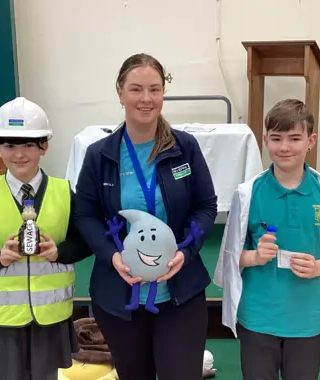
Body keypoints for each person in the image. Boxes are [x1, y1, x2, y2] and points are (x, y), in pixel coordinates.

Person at [73, 53, 218, 380]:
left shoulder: (185, 148)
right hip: (120, 298)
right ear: (120, 93)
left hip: (181, 294)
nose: (146, 98)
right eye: (136, 89)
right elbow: (86, 216)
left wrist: (186, 251)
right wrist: (112, 257)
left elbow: (206, 206)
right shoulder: (100, 155)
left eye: (155, 89)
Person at [214, 99, 320, 380]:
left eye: (294, 138)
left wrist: (319, 267)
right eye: (276, 138)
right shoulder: (248, 193)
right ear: (265, 141)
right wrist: (255, 256)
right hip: (258, 317)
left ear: (311, 141)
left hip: (307, 318)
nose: (284, 147)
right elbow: (231, 257)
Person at [0, 96, 91, 380]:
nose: (19, 154)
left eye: (29, 144)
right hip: (4, 319)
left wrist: (60, 252)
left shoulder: (64, 192)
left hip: (50, 316)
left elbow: (86, 241)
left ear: (45, 146)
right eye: (9, 145)